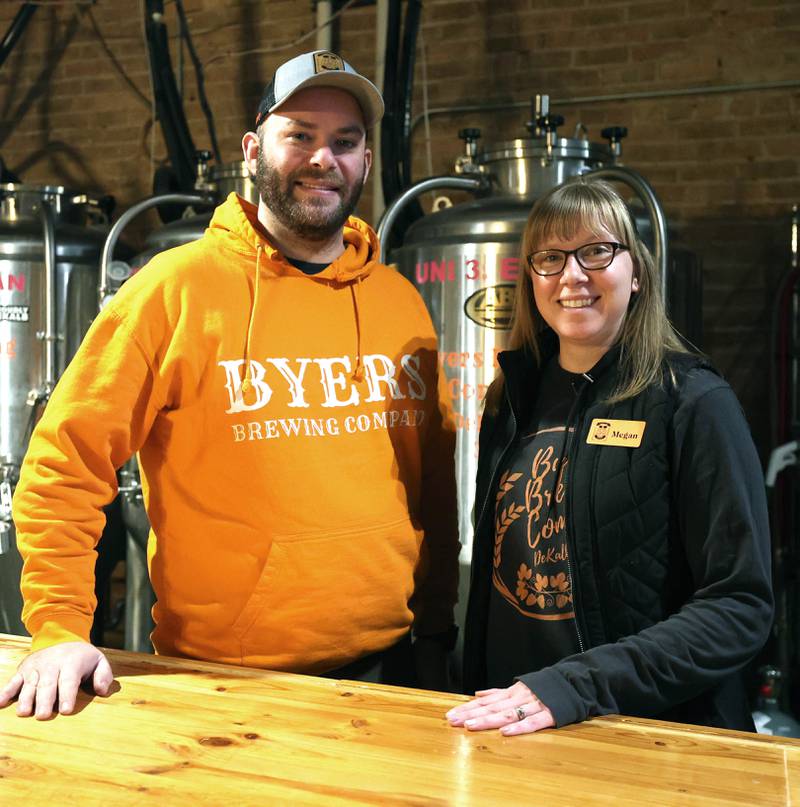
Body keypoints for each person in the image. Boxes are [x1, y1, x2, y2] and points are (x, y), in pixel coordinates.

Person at [1, 50, 459, 720]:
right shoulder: (174, 288)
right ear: (254, 148)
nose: (322, 158)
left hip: (391, 673)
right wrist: (62, 628)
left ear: (365, 160)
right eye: (298, 135)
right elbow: (65, 462)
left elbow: (433, 483)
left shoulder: (397, 300)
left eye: (345, 142)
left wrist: (439, 623)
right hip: (220, 687)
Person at [446, 176, 773, 736]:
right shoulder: (512, 395)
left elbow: (739, 606)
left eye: (596, 251)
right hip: (509, 723)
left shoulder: (692, 401)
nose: (572, 276)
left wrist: (575, 686)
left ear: (637, 271)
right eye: (550, 258)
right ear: (532, 278)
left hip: (639, 733)